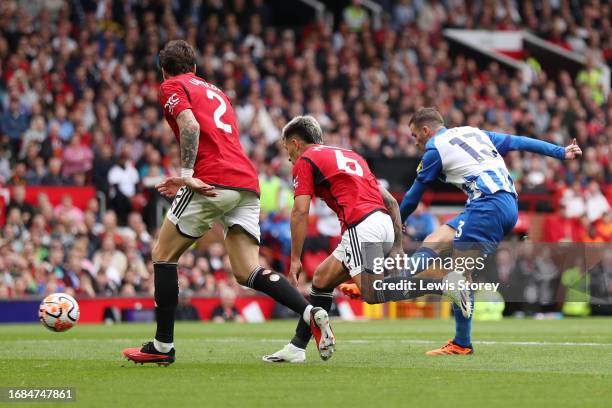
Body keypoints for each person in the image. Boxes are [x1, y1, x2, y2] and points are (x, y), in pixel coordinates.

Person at [122, 40, 334, 366]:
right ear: (195, 67)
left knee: (163, 254)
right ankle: (310, 310)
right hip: (246, 183)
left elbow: (190, 125)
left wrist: (186, 173)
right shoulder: (217, 91)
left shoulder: (171, 85)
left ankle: (162, 346)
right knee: (248, 271)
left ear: (165, 70)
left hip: (211, 180)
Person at [396, 107, 582, 356]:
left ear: (426, 130)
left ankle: (460, 342)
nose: (415, 141)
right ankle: (395, 281)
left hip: (487, 204)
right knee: (436, 239)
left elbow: (411, 197)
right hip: (505, 204)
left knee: (458, 277)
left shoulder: (434, 149)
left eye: (414, 135)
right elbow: (518, 141)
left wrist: (397, 222)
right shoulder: (474, 133)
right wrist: (560, 151)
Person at [262, 116, 404, 363]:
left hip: (361, 227)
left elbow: (300, 211)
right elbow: (391, 201)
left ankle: (442, 284)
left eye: (287, 149)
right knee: (321, 278)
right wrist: (398, 247)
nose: (288, 157)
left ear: (295, 143)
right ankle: (297, 347)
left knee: (372, 294)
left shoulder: (306, 159)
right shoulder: (352, 156)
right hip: (382, 223)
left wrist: (295, 258)